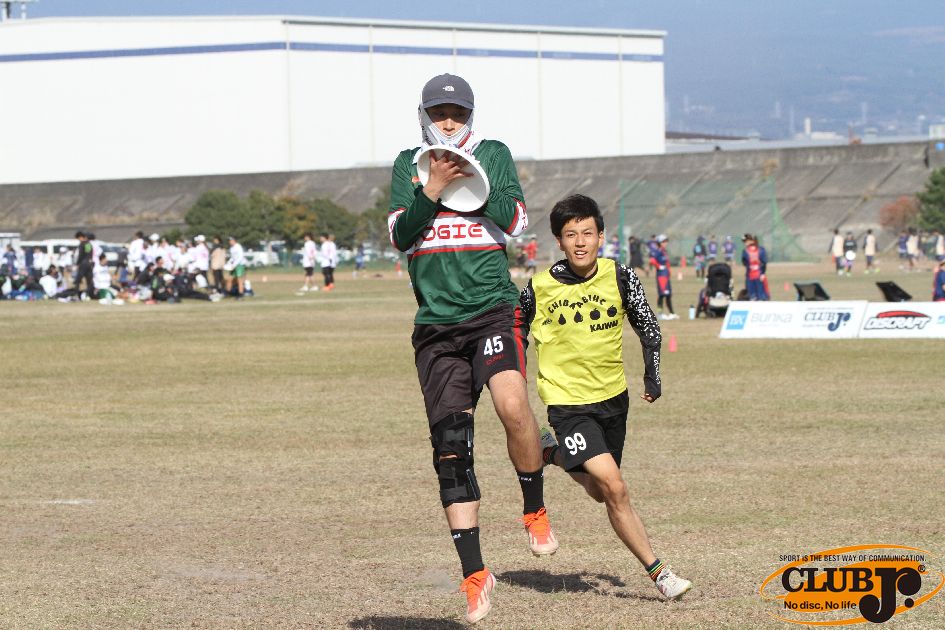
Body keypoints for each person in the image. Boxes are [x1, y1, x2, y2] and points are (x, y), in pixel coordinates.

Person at [388, 73, 556, 624]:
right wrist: (433, 187)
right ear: (424, 115)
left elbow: (516, 219)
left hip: (491, 310)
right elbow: (401, 235)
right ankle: (475, 575)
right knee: (450, 448)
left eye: (457, 112)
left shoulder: (494, 152)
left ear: (470, 114)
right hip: (436, 325)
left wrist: (472, 185)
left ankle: (533, 507)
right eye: (440, 112)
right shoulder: (407, 165)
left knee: (513, 406)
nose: (449, 121)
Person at [520, 194, 692, 602]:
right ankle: (661, 574)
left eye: (587, 233)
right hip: (567, 404)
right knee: (615, 487)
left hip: (614, 399)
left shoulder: (621, 276)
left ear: (601, 236)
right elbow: (514, 334)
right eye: (570, 235)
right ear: (559, 241)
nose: (580, 242)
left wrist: (652, 375)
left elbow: (648, 326)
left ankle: (551, 454)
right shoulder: (538, 287)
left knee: (600, 491)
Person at [650, 234, 676, 319]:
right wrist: (659, 266)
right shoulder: (658, 251)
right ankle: (660, 314)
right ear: (659, 243)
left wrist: (669, 271)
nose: (665, 243)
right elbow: (652, 260)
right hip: (661, 275)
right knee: (662, 294)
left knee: (668, 294)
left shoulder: (664, 251)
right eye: (663, 241)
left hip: (666, 274)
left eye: (666, 241)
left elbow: (667, 263)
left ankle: (672, 313)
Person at [742, 234, 769, 300]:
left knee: (761, 296)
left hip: (759, 276)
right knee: (752, 296)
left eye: (746, 241)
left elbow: (764, 262)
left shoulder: (761, 250)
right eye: (744, 241)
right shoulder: (745, 251)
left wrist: (762, 273)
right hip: (750, 276)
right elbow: (745, 262)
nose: (745, 243)